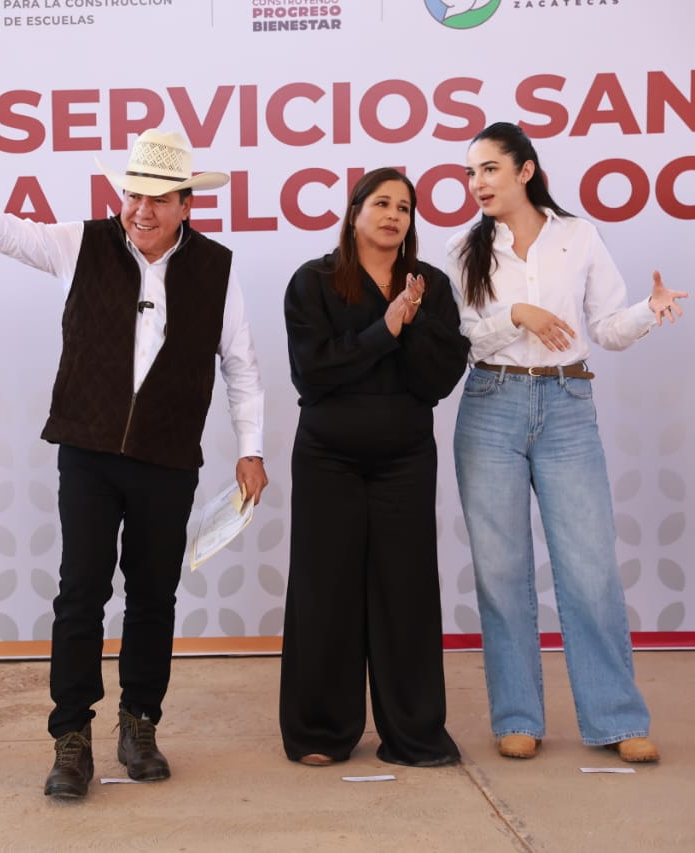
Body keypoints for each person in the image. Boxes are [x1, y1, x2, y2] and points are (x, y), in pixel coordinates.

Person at [0, 129, 269, 799]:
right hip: (88, 453)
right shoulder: (79, 244)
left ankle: (140, 723)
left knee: (154, 596)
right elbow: (4, 232)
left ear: (186, 205)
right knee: (81, 592)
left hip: (169, 458)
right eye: (132, 194)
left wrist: (250, 448)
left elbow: (242, 366)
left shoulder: (217, 269)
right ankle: (71, 736)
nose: (141, 210)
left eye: (158, 199)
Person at [448, 121, 686, 763]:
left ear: (525, 170)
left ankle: (616, 718)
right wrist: (516, 315)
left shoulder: (578, 235)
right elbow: (464, 335)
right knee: (501, 573)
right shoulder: (463, 248)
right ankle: (516, 715)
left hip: (567, 405)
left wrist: (647, 310)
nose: (477, 183)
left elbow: (605, 329)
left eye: (489, 169)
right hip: (490, 405)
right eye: (471, 173)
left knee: (590, 568)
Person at [279, 169, 469, 768]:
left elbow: (439, 378)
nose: (393, 216)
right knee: (324, 590)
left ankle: (413, 733)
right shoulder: (313, 281)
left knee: (406, 592)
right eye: (382, 203)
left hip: (405, 459)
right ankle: (319, 731)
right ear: (355, 212)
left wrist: (411, 322)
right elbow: (313, 374)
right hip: (327, 458)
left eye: (404, 208)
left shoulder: (430, 285)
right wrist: (385, 329)